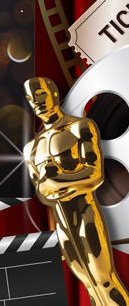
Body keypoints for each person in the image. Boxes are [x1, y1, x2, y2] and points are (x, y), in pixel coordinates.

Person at [24, 77, 129, 305]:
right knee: (89, 285)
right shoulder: (31, 148)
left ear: (53, 93)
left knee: (104, 280)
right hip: (62, 222)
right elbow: (41, 192)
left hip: (85, 212)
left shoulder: (80, 127)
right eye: (31, 97)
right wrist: (59, 182)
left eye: (40, 94)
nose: (36, 102)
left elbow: (94, 174)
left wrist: (56, 179)